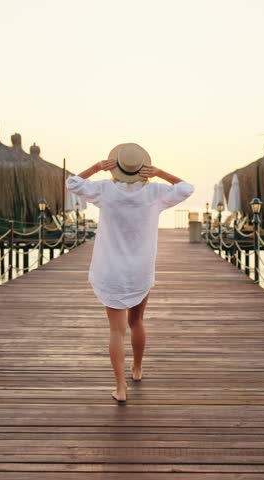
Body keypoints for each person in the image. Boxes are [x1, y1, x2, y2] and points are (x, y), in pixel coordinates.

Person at [66, 143, 194, 402]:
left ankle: (121, 387)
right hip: (140, 270)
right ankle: (136, 369)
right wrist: (159, 173)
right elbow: (186, 188)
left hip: (111, 270)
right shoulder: (155, 193)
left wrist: (97, 167)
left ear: (116, 166)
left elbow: (72, 183)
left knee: (116, 331)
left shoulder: (104, 191)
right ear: (142, 169)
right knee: (137, 322)